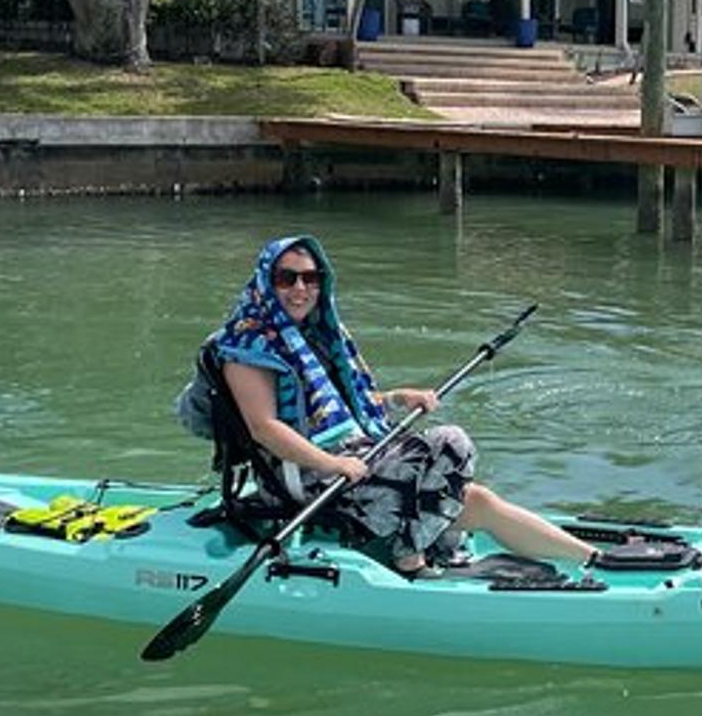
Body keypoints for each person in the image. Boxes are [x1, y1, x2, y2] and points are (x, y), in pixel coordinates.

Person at [200, 235, 596, 580]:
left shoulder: (313, 334)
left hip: (356, 456)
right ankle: (409, 552)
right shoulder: (248, 347)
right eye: (287, 278)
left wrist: (394, 399)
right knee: (450, 442)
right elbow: (265, 428)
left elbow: (334, 409)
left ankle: (595, 558)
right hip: (311, 480)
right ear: (266, 282)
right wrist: (332, 465)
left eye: (311, 278)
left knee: (477, 500)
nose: (300, 288)